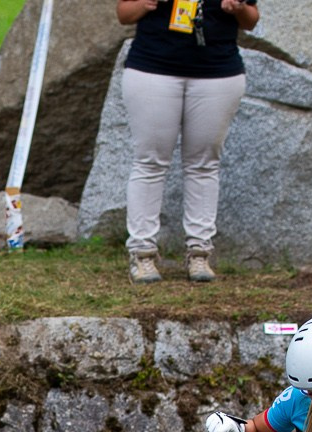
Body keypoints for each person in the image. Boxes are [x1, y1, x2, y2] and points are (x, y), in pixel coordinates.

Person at [115, 0, 259, 284]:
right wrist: (144, 4)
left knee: (204, 163)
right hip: (152, 69)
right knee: (150, 161)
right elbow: (124, 13)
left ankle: (200, 253)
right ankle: (142, 253)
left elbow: (251, 19)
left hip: (218, 72)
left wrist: (237, 8)